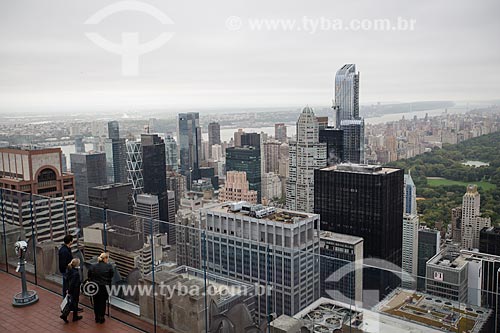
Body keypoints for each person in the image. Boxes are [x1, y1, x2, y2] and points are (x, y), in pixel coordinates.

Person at [88, 252, 114, 324]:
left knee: (96, 302)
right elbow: (111, 275)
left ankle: (96, 317)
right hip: (104, 287)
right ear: (105, 259)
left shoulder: (93, 266)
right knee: (103, 302)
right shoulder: (109, 266)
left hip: (95, 287)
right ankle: (102, 317)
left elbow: (89, 275)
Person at [60, 258, 83, 323]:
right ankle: (69, 316)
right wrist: (70, 290)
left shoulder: (69, 270)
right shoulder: (76, 273)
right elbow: (73, 283)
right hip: (74, 290)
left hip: (70, 289)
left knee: (72, 302)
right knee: (74, 303)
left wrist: (67, 289)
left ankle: (66, 315)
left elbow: (67, 280)